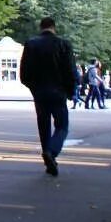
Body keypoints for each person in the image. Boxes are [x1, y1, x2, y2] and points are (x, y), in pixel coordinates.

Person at [20, 16, 75, 177]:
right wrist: (71, 91)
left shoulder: (31, 44)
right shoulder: (63, 44)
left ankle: (47, 156)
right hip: (59, 91)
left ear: (41, 27)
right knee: (62, 126)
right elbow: (70, 70)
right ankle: (52, 152)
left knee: (43, 126)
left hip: (40, 92)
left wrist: (33, 88)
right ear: (54, 27)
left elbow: (24, 73)